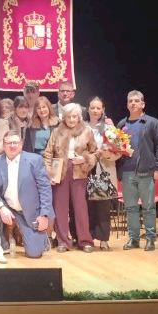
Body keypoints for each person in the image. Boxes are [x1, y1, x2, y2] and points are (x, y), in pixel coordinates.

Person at [42, 103, 99, 252]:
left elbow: (95, 152)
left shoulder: (87, 131)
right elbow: (48, 153)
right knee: (60, 208)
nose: (71, 119)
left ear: (79, 117)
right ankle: (63, 241)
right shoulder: (56, 131)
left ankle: (85, 241)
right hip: (60, 172)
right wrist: (50, 173)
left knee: (80, 208)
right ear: (64, 117)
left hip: (79, 171)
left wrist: (85, 159)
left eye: (74, 116)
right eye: (68, 116)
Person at [0, 131, 54, 259]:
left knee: (34, 253)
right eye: (9, 143)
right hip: (8, 208)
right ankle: (2, 243)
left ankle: (42, 240)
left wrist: (44, 215)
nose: (12, 146)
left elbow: (45, 188)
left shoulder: (34, 160)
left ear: (21, 144)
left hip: (31, 211)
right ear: (3, 145)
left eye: (15, 142)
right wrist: (1, 207)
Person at [116, 90, 158, 252]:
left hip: (146, 171)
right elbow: (116, 148)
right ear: (127, 104)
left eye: (136, 101)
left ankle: (150, 239)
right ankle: (134, 239)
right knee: (130, 208)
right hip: (127, 171)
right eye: (130, 101)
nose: (133, 103)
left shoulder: (152, 122)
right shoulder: (121, 124)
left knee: (148, 208)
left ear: (143, 104)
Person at [87, 97, 119, 251]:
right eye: (92, 108)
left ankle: (104, 239)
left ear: (103, 110)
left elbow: (118, 151)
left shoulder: (109, 128)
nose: (95, 111)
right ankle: (87, 237)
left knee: (103, 207)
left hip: (103, 170)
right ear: (88, 109)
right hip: (86, 171)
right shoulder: (82, 127)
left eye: (98, 108)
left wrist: (107, 154)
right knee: (87, 207)